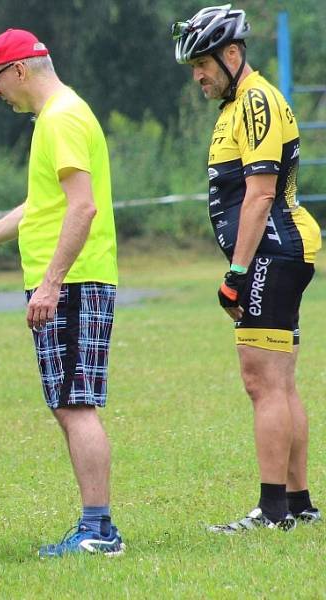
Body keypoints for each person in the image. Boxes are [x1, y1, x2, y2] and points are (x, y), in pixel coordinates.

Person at [0, 29, 122, 556]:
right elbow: (44, 205)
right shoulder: (62, 115)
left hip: (74, 280)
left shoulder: (61, 119)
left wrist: (51, 282)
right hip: (74, 278)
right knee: (69, 401)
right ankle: (97, 526)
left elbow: (82, 208)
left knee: (75, 403)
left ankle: (97, 531)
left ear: (19, 69)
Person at [173, 5, 322, 533]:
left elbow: (259, 195)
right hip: (279, 252)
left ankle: (273, 510)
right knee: (280, 382)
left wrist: (236, 272)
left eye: (202, 64)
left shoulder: (256, 101)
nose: (197, 75)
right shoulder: (238, 104)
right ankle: (299, 505)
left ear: (232, 54)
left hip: (270, 253)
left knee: (261, 382)